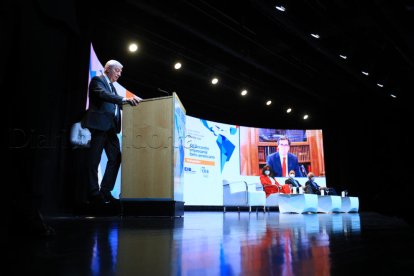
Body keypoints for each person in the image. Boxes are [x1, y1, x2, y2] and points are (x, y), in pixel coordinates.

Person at [82, 60, 140, 206]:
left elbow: (116, 103)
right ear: (108, 69)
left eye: (120, 72)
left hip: (111, 129)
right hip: (99, 126)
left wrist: (139, 105)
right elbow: (103, 95)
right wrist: (124, 99)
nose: (119, 74)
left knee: (116, 157)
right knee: (93, 161)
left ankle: (105, 191)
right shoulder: (98, 81)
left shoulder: (112, 88)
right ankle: (94, 194)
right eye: (117, 70)